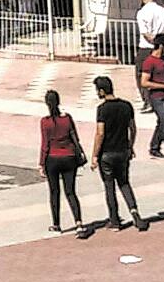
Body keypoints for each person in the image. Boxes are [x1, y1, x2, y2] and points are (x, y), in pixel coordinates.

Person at [90, 75, 146, 234]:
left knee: (109, 187)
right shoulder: (126, 106)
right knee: (124, 183)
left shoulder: (102, 109)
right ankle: (134, 212)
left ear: (102, 91)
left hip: (107, 153)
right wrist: (130, 146)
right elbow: (133, 128)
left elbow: (100, 133)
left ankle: (114, 220)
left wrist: (94, 155)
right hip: (123, 151)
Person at [36, 88, 85, 233]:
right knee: (70, 192)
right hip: (69, 157)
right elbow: (75, 138)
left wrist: (41, 163)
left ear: (47, 103)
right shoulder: (67, 119)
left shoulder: (45, 122)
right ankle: (79, 223)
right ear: (59, 101)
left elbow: (45, 144)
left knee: (54, 192)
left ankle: (56, 224)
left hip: (52, 159)